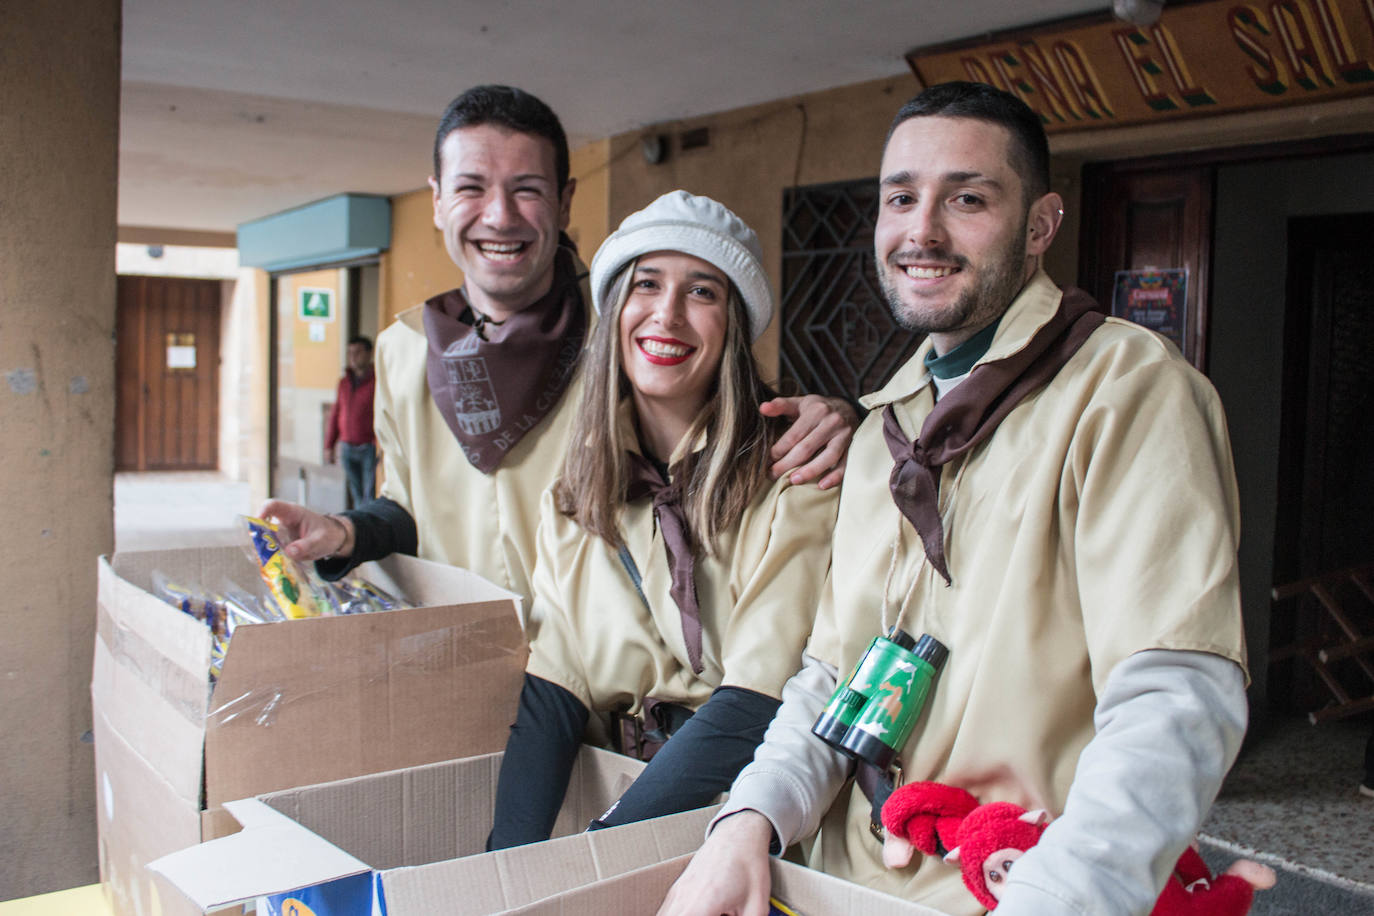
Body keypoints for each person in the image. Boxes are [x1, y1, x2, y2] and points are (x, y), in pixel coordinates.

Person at [659, 81, 1249, 916]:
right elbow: (833, 679)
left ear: (1041, 225)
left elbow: (1173, 703)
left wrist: (1055, 899)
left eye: (967, 198)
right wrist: (747, 821)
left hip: (1013, 884)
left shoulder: (1127, 392)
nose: (922, 231)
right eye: (901, 197)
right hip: (835, 880)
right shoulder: (882, 432)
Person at [258, 85, 853, 605]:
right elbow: (410, 509)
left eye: (526, 190)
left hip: (607, 686)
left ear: (565, 202)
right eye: (471, 188)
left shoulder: (632, 339)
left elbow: (734, 433)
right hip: (463, 659)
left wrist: (835, 419)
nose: (499, 215)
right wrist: (345, 532)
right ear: (437, 200)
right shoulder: (404, 348)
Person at [487, 191, 838, 849]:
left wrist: (604, 853)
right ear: (618, 307)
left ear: (733, 323)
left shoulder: (795, 476)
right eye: (647, 284)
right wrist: (507, 863)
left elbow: (757, 698)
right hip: (619, 785)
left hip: (741, 818)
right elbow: (553, 693)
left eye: (702, 291)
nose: (667, 315)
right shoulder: (574, 497)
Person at [324, 335, 376, 508]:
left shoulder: (377, 381)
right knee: (357, 495)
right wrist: (329, 445)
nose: (353, 357)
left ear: (369, 354)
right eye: (350, 353)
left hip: (369, 447)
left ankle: (368, 531)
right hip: (347, 446)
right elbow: (335, 414)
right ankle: (361, 530)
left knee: (369, 496)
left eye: (358, 352)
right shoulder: (344, 383)